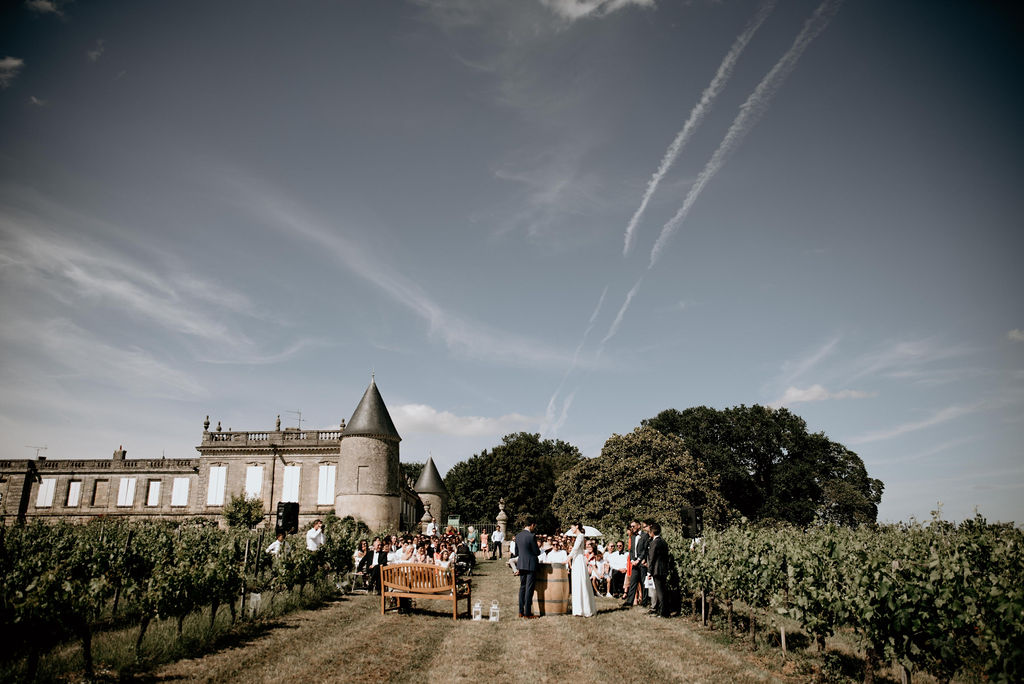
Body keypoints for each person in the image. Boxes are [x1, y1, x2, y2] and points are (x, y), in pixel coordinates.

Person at [567, 523, 595, 617]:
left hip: (579, 560)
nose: (571, 529)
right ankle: (578, 609)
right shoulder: (578, 536)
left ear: (577, 526)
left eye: (572, 527)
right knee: (576, 584)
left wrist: (568, 557)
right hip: (576, 560)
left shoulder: (580, 536)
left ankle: (584, 609)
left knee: (580, 583)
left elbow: (575, 549)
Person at [515, 517, 541, 618]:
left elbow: (516, 552)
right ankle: (527, 613)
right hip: (531, 564)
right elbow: (536, 552)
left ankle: (521, 611)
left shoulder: (518, 536)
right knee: (529, 589)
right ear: (532, 525)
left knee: (522, 587)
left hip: (521, 564)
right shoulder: (531, 536)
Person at [621, 520, 650, 608]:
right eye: (631, 526)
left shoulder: (645, 536)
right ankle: (629, 601)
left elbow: (645, 549)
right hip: (634, 563)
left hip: (642, 563)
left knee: (643, 583)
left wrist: (639, 559)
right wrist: (633, 560)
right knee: (633, 582)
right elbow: (632, 550)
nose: (632, 528)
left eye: (633, 526)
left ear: (638, 526)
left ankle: (644, 602)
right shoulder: (633, 537)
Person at [646, 522, 670, 617]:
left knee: (660, 592)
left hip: (656, 570)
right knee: (663, 591)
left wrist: (649, 572)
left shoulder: (654, 543)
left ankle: (663, 612)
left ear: (652, 533)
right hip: (664, 569)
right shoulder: (664, 542)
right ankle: (665, 611)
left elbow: (652, 559)